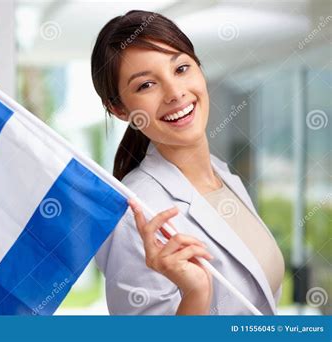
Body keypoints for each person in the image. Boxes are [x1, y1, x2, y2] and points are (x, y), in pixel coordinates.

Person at [91, 10, 285, 315]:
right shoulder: (135, 215)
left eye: (181, 68)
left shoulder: (222, 174)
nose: (175, 93)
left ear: (199, 68)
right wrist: (196, 293)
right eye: (146, 85)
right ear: (118, 109)